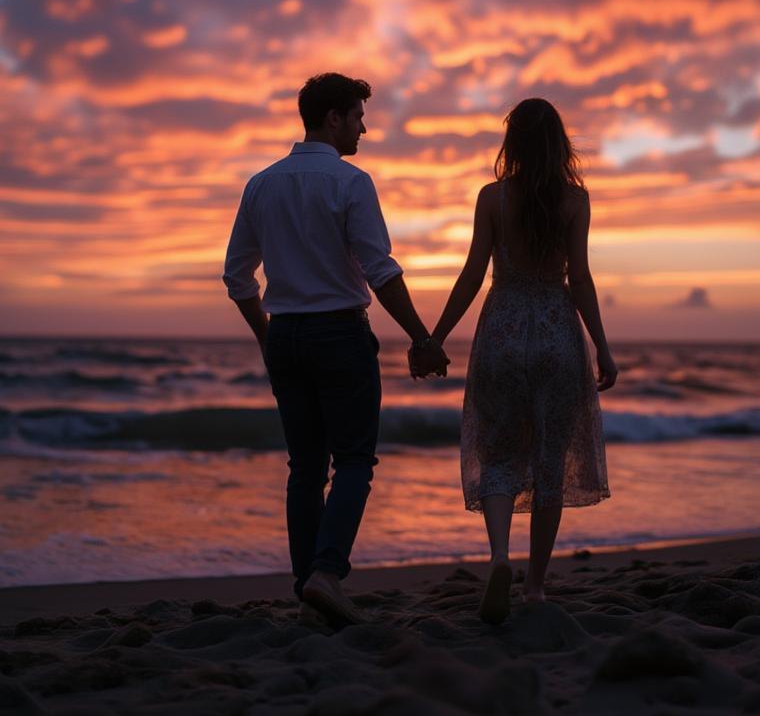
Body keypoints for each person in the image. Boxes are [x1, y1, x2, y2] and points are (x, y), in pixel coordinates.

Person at [223, 72, 448, 628]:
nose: (363, 129)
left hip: (288, 336)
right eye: (357, 117)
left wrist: (266, 334)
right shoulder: (351, 182)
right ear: (333, 119)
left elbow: (237, 277)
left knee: (304, 467)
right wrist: (422, 337)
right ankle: (326, 574)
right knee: (352, 460)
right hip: (339, 336)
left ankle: (308, 588)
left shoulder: (261, 184)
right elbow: (381, 271)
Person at [412, 97, 617, 624]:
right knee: (549, 461)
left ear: (514, 142)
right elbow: (582, 280)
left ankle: (500, 555)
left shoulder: (492, 198)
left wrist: (434, 337)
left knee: (499, 453)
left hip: (501, 331)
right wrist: (602, 345)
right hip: (555, 333)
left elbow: (472, 273)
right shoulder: (575, 200)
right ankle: (534, 588)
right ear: (560, 143)